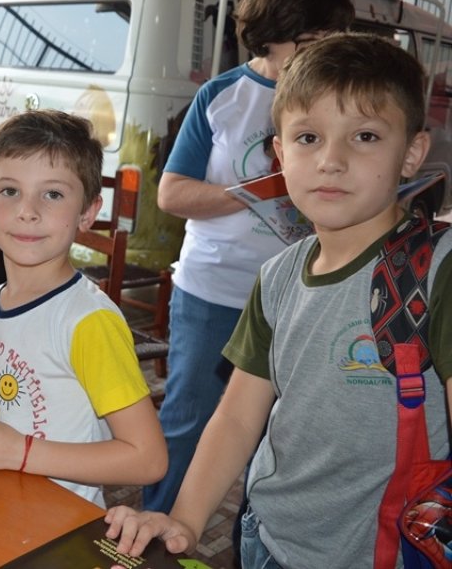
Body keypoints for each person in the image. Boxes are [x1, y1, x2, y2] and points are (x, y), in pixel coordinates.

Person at [104, 33, 452, 567]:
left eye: (364, 136)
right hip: (264, 542)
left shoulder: (438, 271)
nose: (331, 160)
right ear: (280, 155)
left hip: (380, 554)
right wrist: (187, 519)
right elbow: (238, 417)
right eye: (308, 137)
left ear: (411, 153)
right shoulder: (278, 276)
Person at [144, 0, 355, 514]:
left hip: (301, 300)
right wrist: (263, 189)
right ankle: (153, 533)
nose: (317, 55)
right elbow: (171, 194)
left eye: (330, 39)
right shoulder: (223, 95)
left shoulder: (337, 99)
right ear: (270, 31)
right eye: (306, 42)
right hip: (213, 292)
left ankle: (253, 544)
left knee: (279, 442)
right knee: (188, 422)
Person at [0, 109, 167, 507]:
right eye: (9, 191)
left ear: (87, 212)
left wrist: (20, 453)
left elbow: (148, 459)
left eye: (52, 194)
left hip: (59, 524)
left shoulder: (89, 322)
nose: (28, 210)